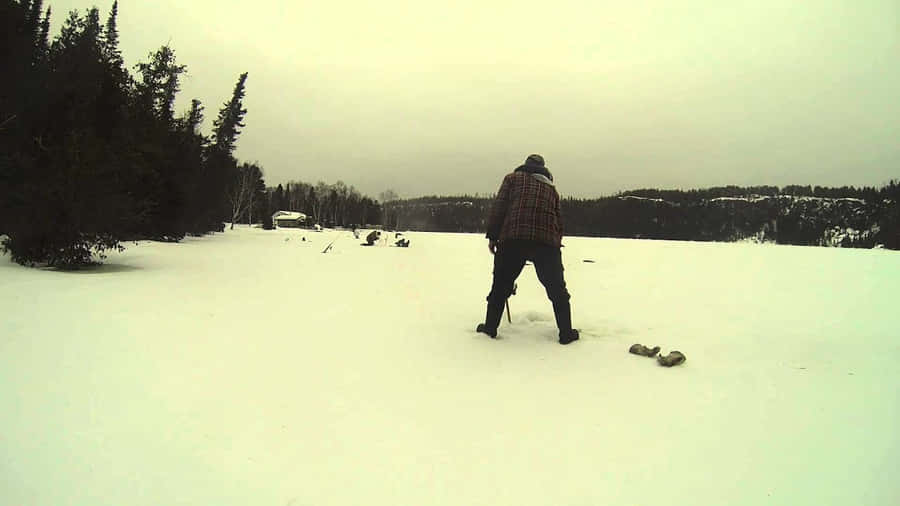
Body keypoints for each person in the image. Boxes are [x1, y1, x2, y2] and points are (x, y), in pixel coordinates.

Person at [477, 154, 578, 344]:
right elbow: (558, 219)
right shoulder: (551, 188)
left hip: (513, 238)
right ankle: (566, 333)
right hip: (546, 242)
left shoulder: (512, 179)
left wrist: (492, 236)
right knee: (557, 289)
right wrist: (556, 243)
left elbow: (500, 208)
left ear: (525, 165)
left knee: (501, 285)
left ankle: (490, 328)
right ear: (543, 168)